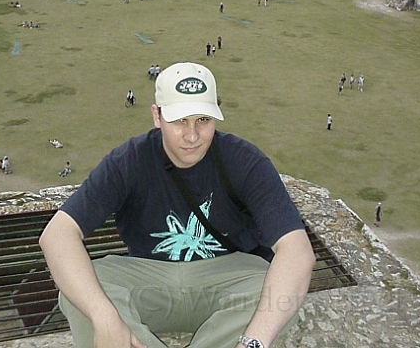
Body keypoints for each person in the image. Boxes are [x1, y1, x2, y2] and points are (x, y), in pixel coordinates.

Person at [40, 62, 315, 348]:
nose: (192, 135)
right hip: (149, 280)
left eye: (203, 120)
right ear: (156, 116)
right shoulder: (129, 161)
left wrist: (253, 343)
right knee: (81, 291)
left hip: (227, 280)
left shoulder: (245, 161)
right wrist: (103, 315)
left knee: (280, 295)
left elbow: (297, 252)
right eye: (179, 121)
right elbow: (57, 235)